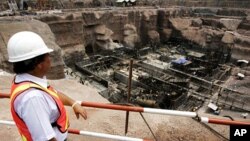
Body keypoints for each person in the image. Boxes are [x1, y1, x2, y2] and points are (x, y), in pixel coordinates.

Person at [7, 31, 87, 141]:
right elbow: (45, 139)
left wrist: (73, 103)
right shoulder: (33, 98)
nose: (50, 59)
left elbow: (51, 94)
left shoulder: (25, 79)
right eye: (47, 56)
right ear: (39, 64)